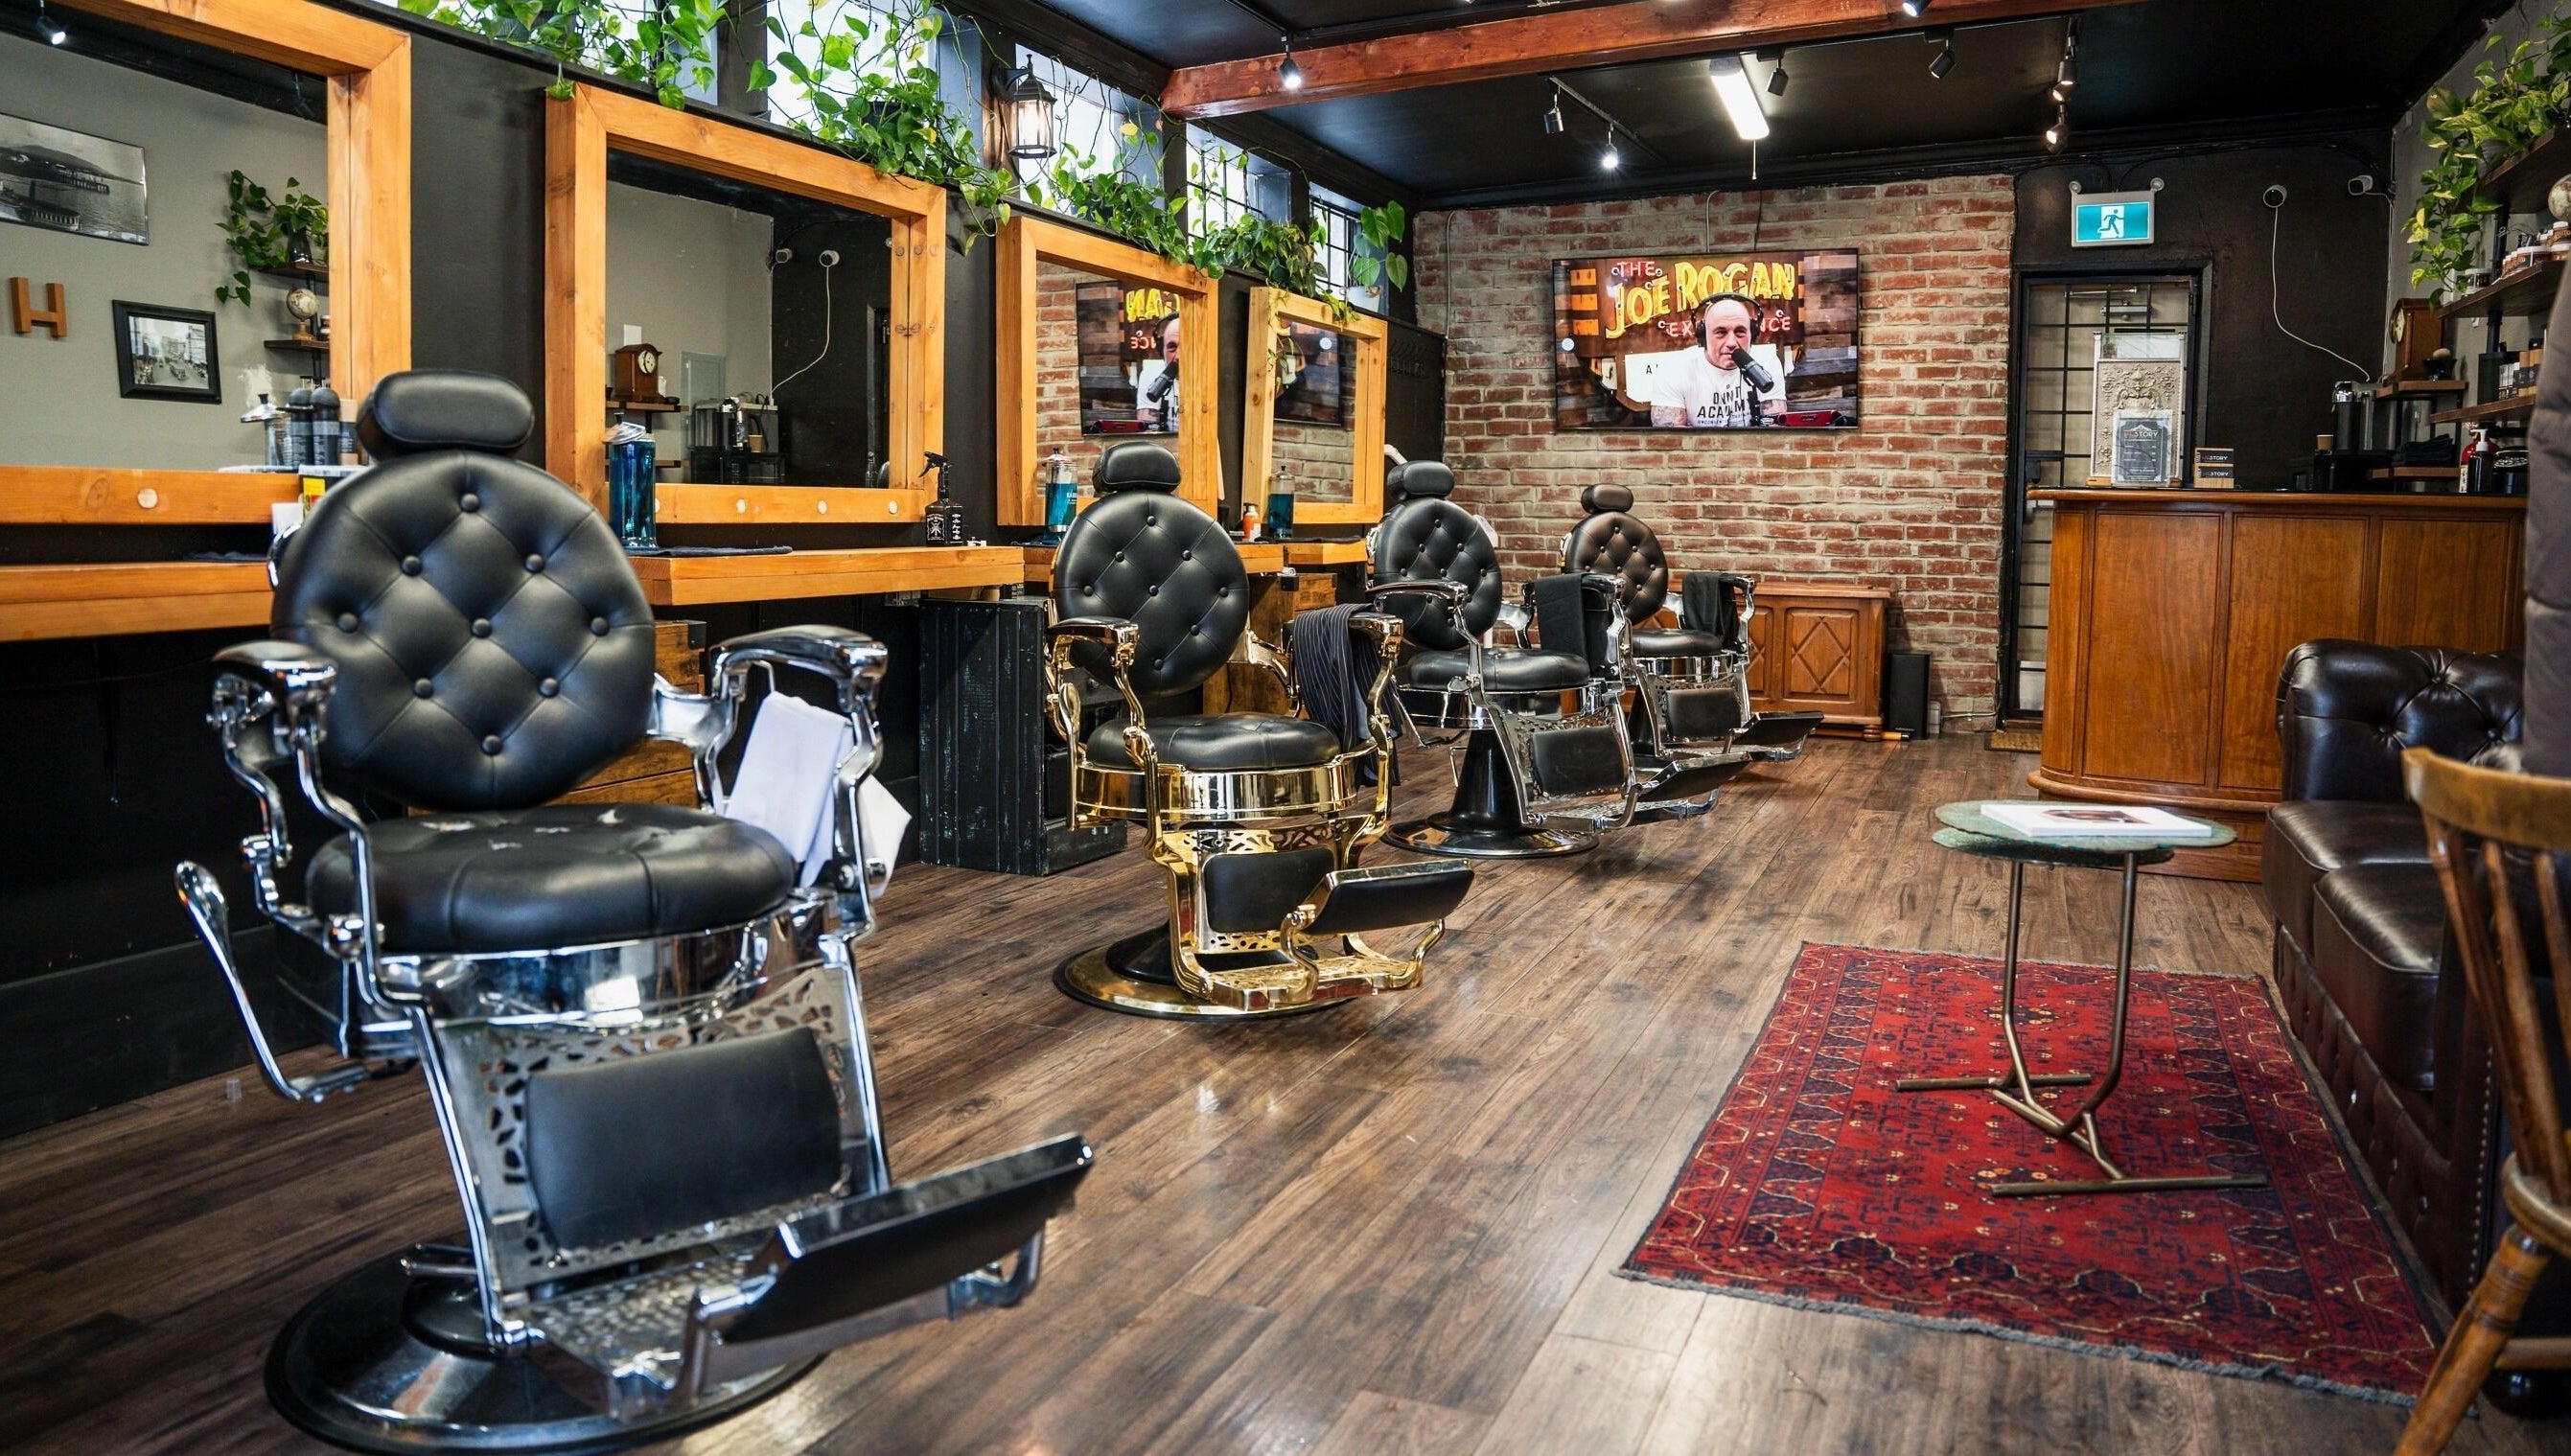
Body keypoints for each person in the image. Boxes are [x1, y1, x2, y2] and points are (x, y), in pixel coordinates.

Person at [1650, 292, 1777, 428]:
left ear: (1752, 333)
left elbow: (1776, 433)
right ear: (1703, 336)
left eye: (1740, 331)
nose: (1731, 342)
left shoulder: (1766, 364)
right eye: (1721, 332)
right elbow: (1670, 441)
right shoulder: (1674, 369)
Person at [1138, 314, 1181, 430]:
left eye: (1186, 346)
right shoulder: (1151, 374)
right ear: (1162, 350)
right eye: (1172, 347)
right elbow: (1147, 432)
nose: (1178, 356)